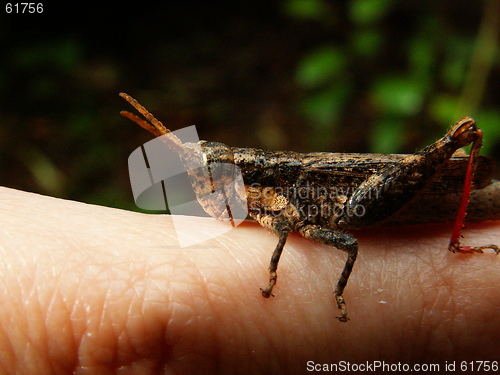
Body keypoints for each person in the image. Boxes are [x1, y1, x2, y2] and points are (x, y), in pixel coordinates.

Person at [1, 186, 498, 374]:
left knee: (348, 237)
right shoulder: (244, 196)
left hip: (367, 197)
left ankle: (456, 243)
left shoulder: (268, 189)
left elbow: (287, 224)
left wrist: (274, 274)